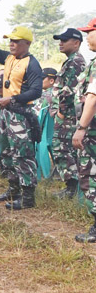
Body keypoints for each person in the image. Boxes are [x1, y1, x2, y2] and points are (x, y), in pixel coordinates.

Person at [0, 14, 43, 210]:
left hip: (21, 114)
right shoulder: (9, 58)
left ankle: (28, 197)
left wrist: (12, 98)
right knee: (7, 153)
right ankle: (13, 190)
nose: (11, 44)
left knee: (23, 154)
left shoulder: (32, 64)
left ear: (26, 43)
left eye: (15, 41)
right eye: (10, 41)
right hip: (6, 113)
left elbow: (36, 91)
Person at [49, 29, 86, 198]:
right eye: (59, 40)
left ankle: (72, 188)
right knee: (66, 149)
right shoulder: (71, 61)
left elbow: (69, 92)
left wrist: (61, 113)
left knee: (61, 148)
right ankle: (73, 187)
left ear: (76, 43)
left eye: (65, 40)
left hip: (69, 115)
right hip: (69, 114)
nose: (60, 43)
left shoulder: (74, 63)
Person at [73, 18, 96, 242]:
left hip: (93, 131)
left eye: (90, 32)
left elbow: (92, 99)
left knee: (90, 175)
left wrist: (81, 128)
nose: (87, 37)